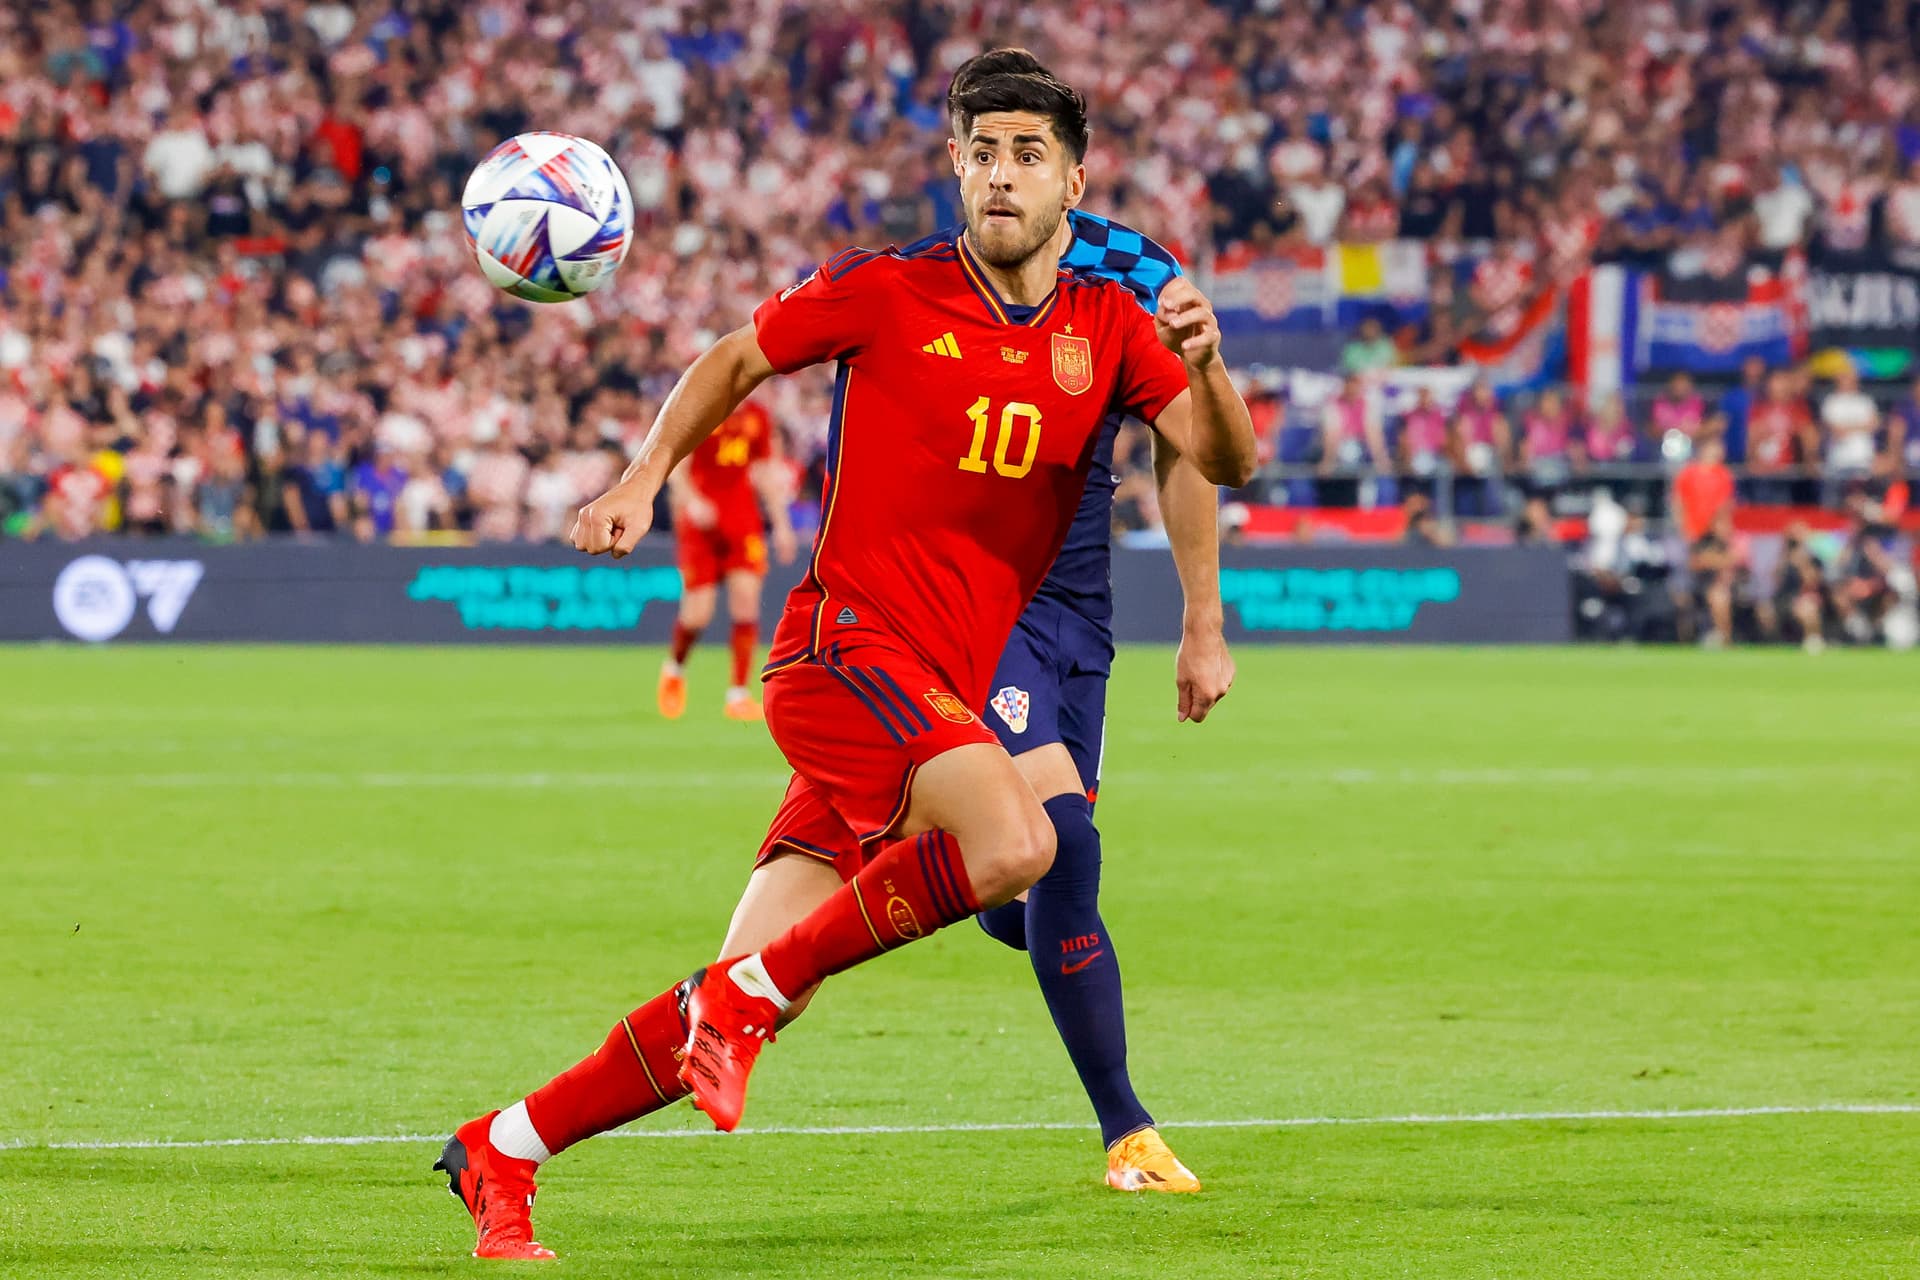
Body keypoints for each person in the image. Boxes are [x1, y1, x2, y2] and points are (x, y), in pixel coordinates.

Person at [435, 51, 1256, 1260]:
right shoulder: (887, 291)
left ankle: (503, 1146)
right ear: (955, 168)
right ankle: (751, 1010)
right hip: (846, 653)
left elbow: (1225, 459)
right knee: (1025, 842)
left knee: (757, 969)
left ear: (1073, 181)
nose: (1001, 175)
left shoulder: (1111, 325)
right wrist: (641, 476)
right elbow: (731, 357)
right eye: (981, 152)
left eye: (1028, 153)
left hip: (936, 690)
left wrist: (1207, 361)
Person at [658, 399, 799, 721]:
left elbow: (765, 471)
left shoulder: (758, 416)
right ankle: (674, 669)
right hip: (700, 525)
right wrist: (692, 502)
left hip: (742, 520)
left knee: (746, 603)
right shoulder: (701, 407)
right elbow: (678, 468)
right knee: (697, 616)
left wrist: (781, 525)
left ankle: (737, 694)